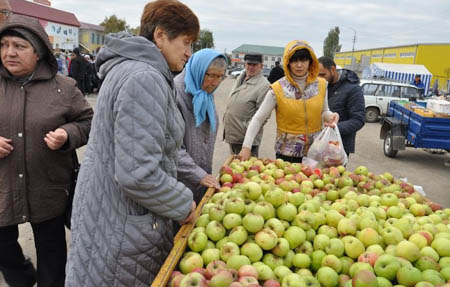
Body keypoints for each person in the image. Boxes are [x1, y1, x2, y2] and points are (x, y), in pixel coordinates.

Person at [65, 1, 199, 286]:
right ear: (161, 35)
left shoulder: (132, 70)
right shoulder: (144, 78)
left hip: (109, 213)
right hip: (122, 226)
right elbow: (138, 174)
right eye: (186, 42)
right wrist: (184, 203)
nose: (189, 53)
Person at [0, 14, 93, 287]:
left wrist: (68, 134)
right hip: (2, 189)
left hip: (48, 188)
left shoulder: (64, 88)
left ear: (38, 52)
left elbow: (88, 122)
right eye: (4, 45)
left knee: (52, 255)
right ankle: (23, 278)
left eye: (19, 46)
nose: (9, 52)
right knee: (3, 249)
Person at [239, 40, 339, 163]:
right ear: (287, 62)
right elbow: (258, 118)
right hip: (287, 154)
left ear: (310, 62)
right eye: (294, 61)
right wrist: (246, 146)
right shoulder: (278, 88)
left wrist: (331, 116)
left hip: (315, 151)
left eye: (303, 60)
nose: (299, 65)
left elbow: (324, 111)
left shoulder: (321, 85)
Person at [175, 48, 225, 204]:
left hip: (200, 180)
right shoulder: (175, 95)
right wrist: (198, 174)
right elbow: (171, 147)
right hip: (177, 184)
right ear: (198, 70)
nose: (215, 82)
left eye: (220, 77)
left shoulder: (204, 95)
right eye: (211, 75)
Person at [223, 53, 270, 157]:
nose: (251, 67)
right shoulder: (241, 77)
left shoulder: (264, 85)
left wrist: (247, 130)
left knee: (247, 169)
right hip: (234, 135)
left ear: (261, 66)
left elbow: (263, 116)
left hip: (245, 139)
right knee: (234, 167)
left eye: (255, 65)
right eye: (249, 64)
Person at [318, 56, 365, 157]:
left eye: (322, 75)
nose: (320, 79)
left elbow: (358, 120)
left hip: (339, 145)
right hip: (319, 143)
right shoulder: (321, 86)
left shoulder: (353, 89)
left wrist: (335, 127)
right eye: (317, 75)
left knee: (334, 173)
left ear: (333, 69)